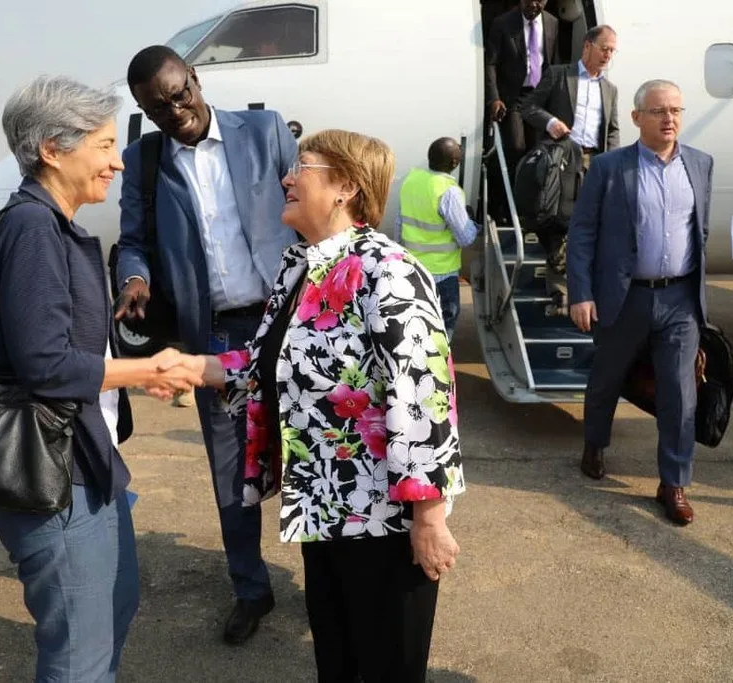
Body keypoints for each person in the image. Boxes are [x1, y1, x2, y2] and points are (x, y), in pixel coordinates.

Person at [174, 129, 464, 682]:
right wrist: (187, 367)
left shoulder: (388, 271)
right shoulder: (299, 267)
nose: (286, 178)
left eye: (301, 166)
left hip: (385, 519)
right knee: (337, 661)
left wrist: (429, 517)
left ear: (346, 187)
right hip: (323, 507)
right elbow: (263, 364)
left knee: (386, 667)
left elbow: (424, 393)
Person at [0, 75, 202, 682]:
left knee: (113, 613)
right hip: (52, 475)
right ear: (51, 149)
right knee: (79, 657)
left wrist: (125, 375)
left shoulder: (58, 225)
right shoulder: (32, 230)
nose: (117, 162)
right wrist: (148, 368)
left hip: (85, 461)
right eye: (101, 145)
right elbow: (47, 366)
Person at [115, 44, 299, 644]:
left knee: (317, 452)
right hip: (214, 337)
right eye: (157, 106)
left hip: (290, 324)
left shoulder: (266, 131)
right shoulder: (144, 161)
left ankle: (327, 581)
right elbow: (134, 239)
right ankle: (251, 588)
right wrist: (135, 279)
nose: (175, 110)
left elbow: (305, 213)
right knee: (231, 472)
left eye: (179, 93)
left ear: (194, 79)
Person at [567, 80, 714, 525]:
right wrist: (582, 293)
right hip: (624, 295)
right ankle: (595, 443)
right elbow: (583, 232)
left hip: (680, 298)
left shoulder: (701, 165)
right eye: (658, 111)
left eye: (675, 110)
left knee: (680, 393)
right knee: (606, 380)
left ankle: (674, 483)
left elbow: (699, 231)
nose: (669, 119)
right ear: (636, 118)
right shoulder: (610, 168)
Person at [521, 24, 620, 314]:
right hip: (562, 160)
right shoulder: (559, 74)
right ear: (587, 46)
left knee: (592, 224)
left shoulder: (610, 89)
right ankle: (559, 291)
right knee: (558, 223)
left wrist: (611, 163)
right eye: (604, 48)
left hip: (594, 162)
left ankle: (585, 289)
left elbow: (612, 131)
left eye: (612, 51)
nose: (608, 55)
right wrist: (550, 123)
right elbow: (529, 107)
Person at [396, 137, 479, 342]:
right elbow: (466, 237)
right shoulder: (448, 191)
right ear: (455, 163)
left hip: (411, 269)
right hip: (442, 275)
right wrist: (474, 224)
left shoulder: (411, 180)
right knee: (442, 329)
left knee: (414, 326)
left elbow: (399, 225)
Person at [485, 0, 559, 221]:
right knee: (516, 148)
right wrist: (494, 99)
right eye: (529, 0)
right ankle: (504, 208)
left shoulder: (552, 22)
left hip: (539, 96)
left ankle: (531, 209)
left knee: (538, 152)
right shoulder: (503, 24)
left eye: (540, 1)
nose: (534, 5)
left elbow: (553, 63)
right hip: (513, 96)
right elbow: (490, 63)